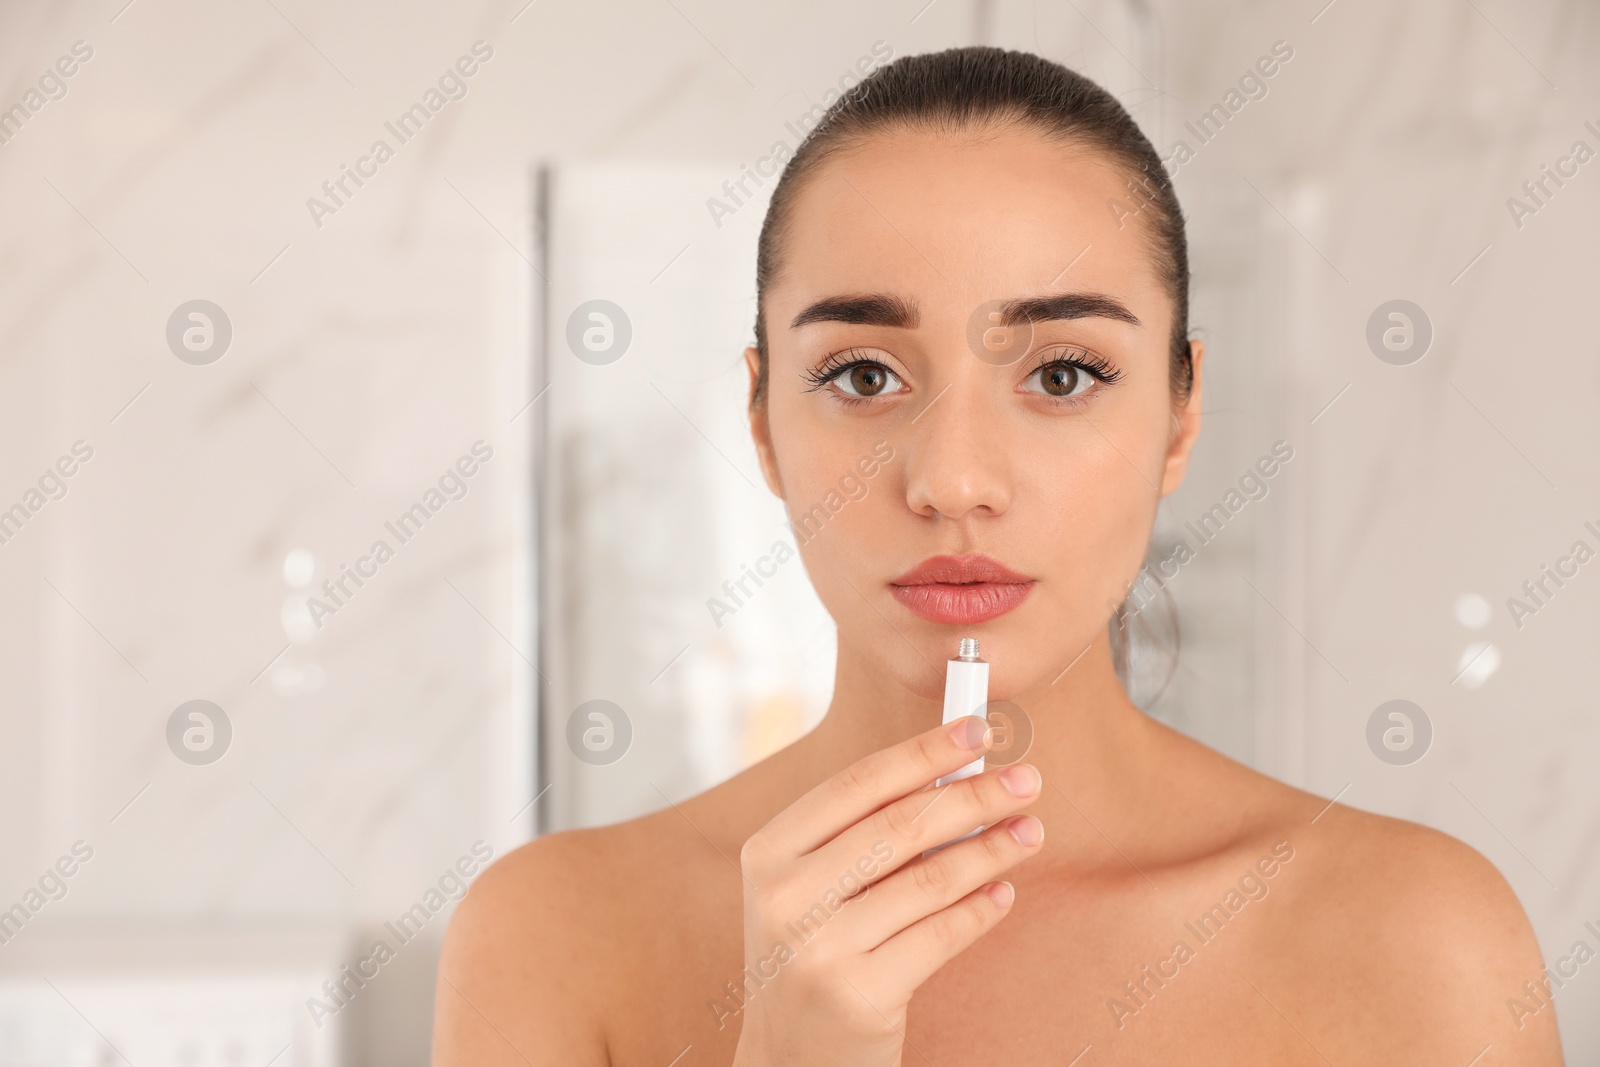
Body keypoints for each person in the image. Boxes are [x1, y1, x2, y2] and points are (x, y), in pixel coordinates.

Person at [433, 47, 1564, 1065]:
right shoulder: (555, 937)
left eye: (1062, 373)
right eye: (863, 375)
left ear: (1179, 415)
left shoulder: (1416, 942)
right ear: (765, 419)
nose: (953, 480)